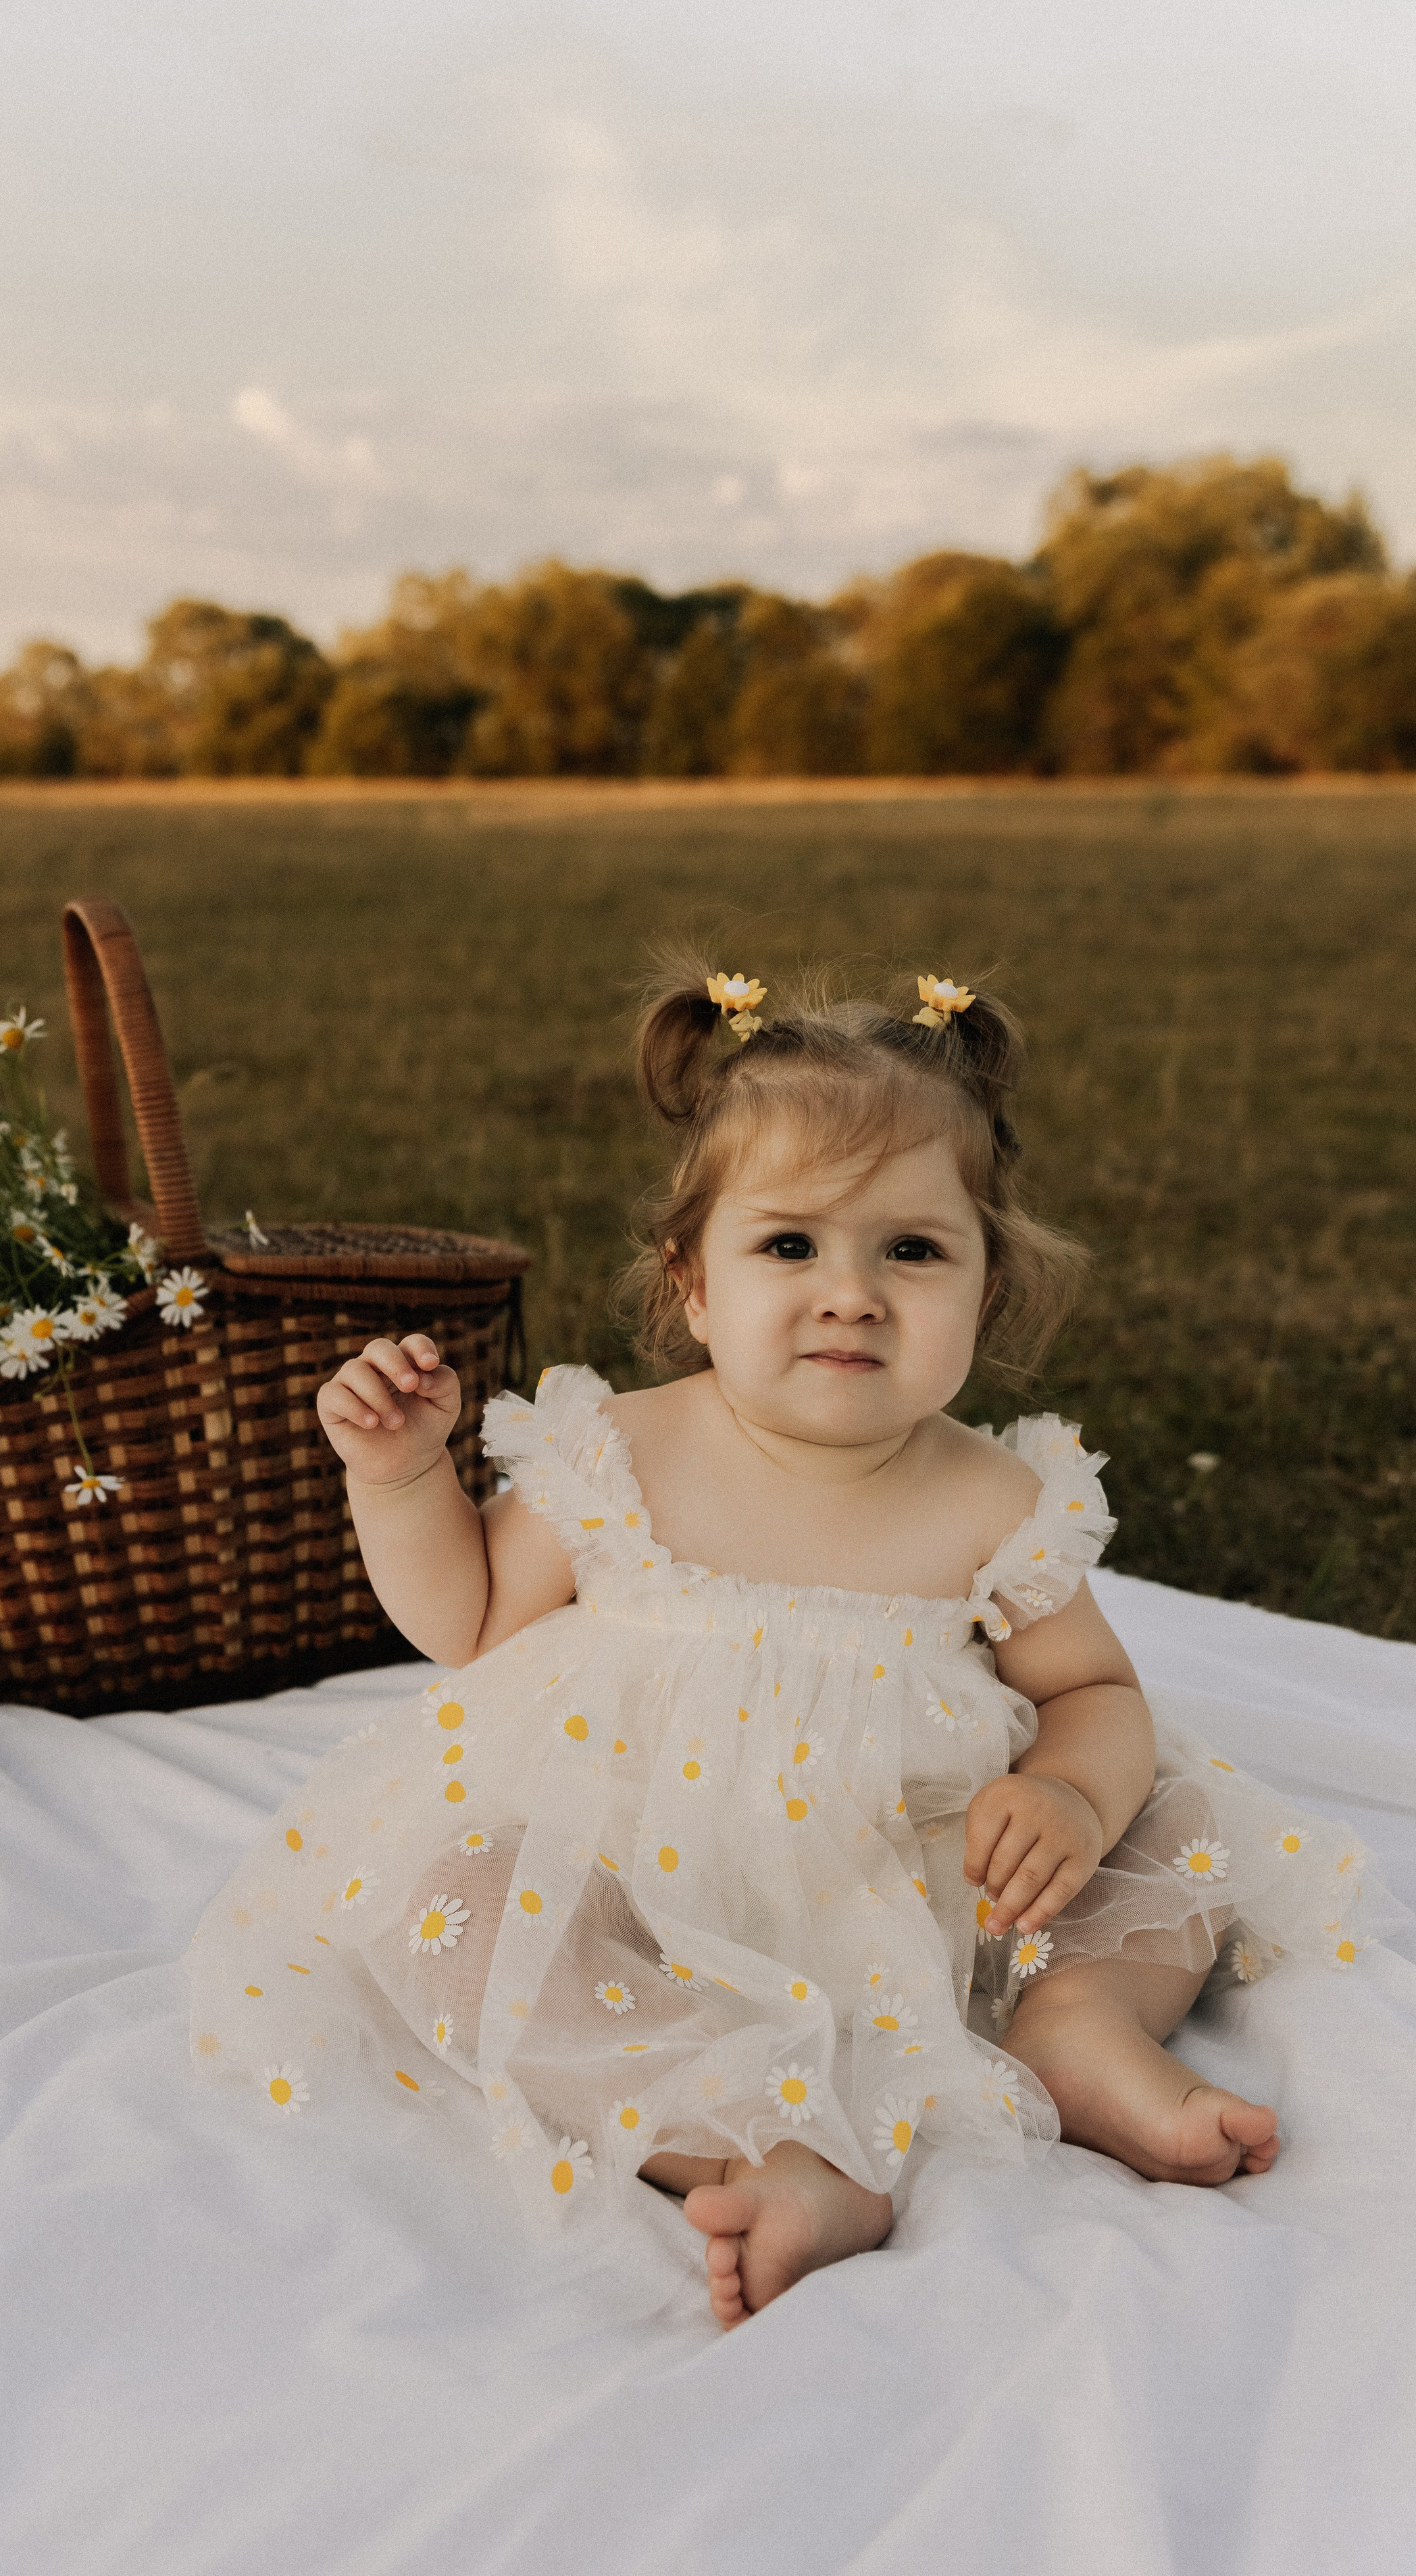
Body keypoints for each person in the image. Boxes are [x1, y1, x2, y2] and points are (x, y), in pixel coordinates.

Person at [189, 964, 1392, 2329]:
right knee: (456, 1902)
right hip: (651, 1886)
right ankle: (771, 2144)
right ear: (689, 1284)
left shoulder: (994, 1502)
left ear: (987, 1298)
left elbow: (1092, 1691)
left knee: (1171, 1818)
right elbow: (466, 1624)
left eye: (912, 1251)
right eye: (788, 1247)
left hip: (931, 1888)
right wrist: (400, 1481)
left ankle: (1076, 2029)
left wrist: (1064, 1790)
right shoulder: (617, 1452)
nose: (850, 1295)